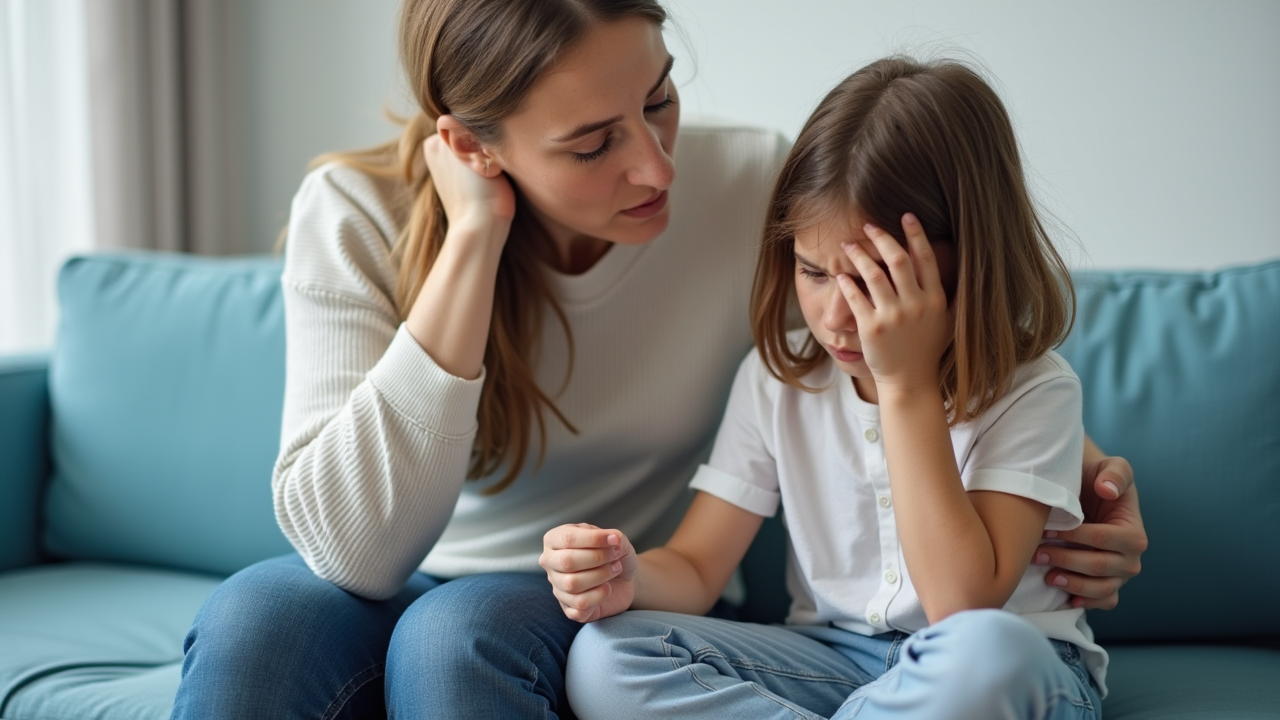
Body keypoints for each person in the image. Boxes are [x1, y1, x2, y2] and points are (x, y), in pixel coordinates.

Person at [170, 0, 1146, 717]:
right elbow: (353, 554)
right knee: (256, 619)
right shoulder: (351, 215)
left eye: (660, 99)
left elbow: (935, 331)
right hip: (411, 569)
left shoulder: (749, 185)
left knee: (453, 638)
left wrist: (1086, 473)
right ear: (472, 147)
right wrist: (473, 241)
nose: (655, 167)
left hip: (547, 598)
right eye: (592, 143)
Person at [544, 57, 1117, 720]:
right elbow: (699, 567)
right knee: (606, 657)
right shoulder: (775, 381)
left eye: (873, 283)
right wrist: (629, 576)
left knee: (992, 654)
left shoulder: (1035, 391)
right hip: (832, 661)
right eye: (814, 272)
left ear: (968, 262)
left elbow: (960, 606)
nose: (838, 318)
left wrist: (904, 383)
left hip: (1001, 672)